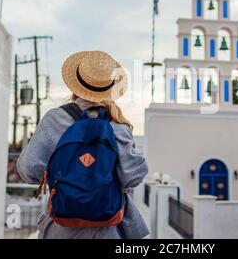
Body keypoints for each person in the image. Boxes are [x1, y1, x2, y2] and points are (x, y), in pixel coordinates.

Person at [16, 50, 149, 239]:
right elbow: (134, 177)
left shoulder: (54, 119)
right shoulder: (118, 126)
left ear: (76, 86)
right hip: (107, 230)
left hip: (61, 229)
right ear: (111, 89)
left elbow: (28, 170)